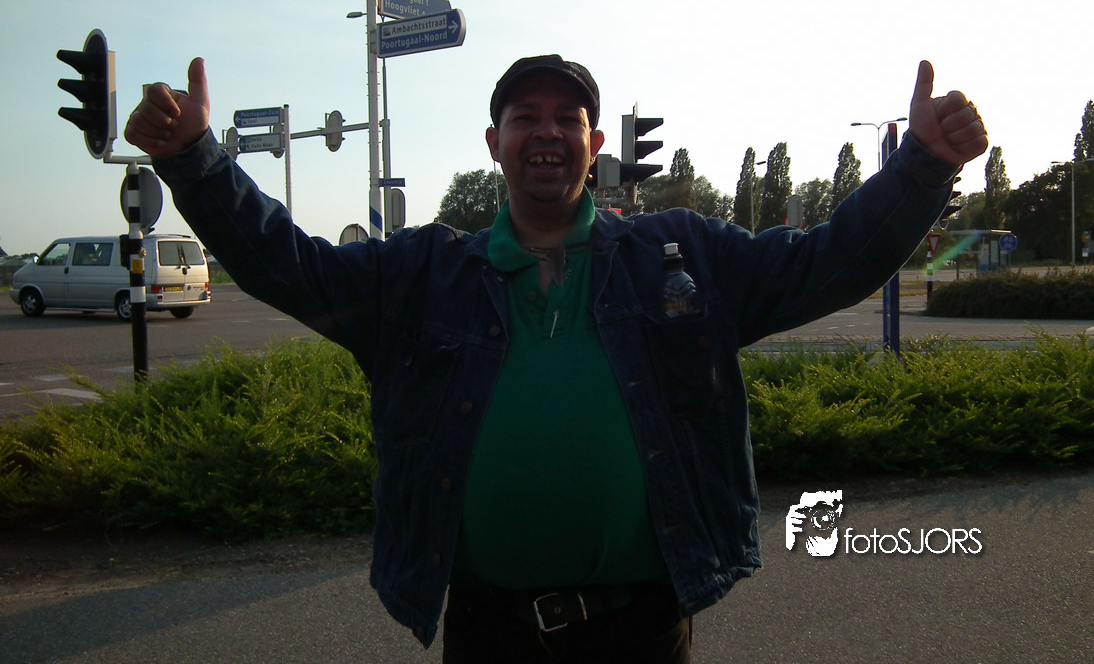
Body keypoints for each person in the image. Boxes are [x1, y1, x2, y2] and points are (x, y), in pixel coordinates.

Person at [125, 54, 988, 662]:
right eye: (525, 118)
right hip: (487, 634)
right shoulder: (421, 277)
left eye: (566, 119)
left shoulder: (683, 256)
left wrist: (924, 168)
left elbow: (826, 263)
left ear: (594, 140)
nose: (546, 133)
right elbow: (291, 265)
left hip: (643, 632)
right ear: (493, 141)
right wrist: (195, 162)